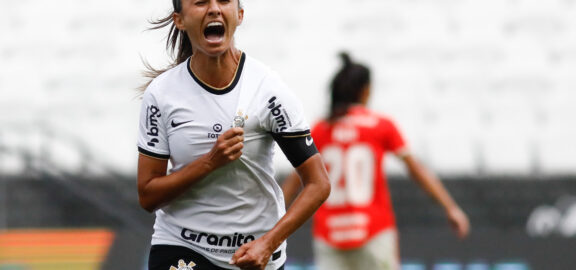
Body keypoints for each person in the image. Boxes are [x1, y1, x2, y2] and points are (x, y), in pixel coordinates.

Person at [136, 1, 330, 270]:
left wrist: (268, 243)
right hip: (182, 247)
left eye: (224, 1)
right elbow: (147, 195)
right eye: (201, 2)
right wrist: (209, 162)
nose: (214, 9)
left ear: (239, 15)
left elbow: (318, 183)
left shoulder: (268, 90)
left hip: (253, 256)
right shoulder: (161, 93)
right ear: (179, 20)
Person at [281, 52, 471, 270]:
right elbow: (415, 169)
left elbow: (295, 181)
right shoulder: (380, 125)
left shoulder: (321, 129)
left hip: (329, 234)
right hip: (373, 232)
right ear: (365, 90)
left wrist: (272, 220)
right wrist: (450, 207)